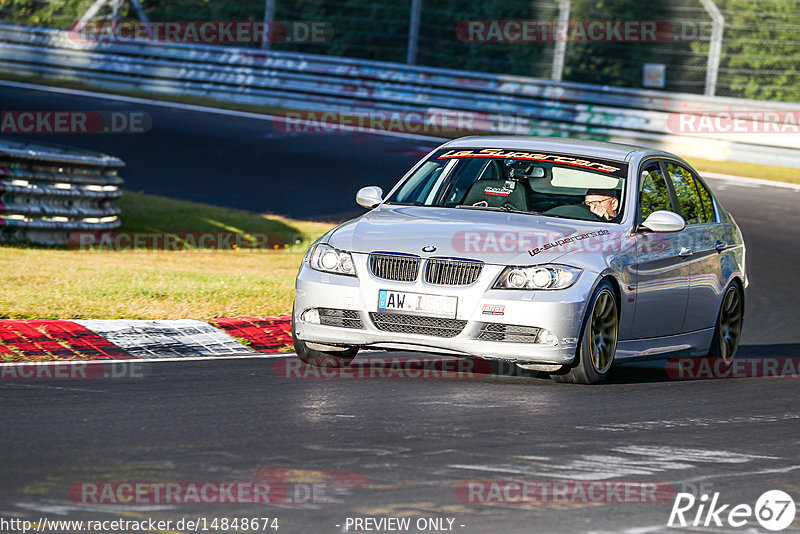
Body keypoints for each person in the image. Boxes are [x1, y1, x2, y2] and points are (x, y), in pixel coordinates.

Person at [544, 188, 620, 222]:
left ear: (614, 204)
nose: (591, 207)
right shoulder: (579, 218)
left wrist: (605, 221)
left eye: (596, 203)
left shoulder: (625, 222)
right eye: (588, 203)